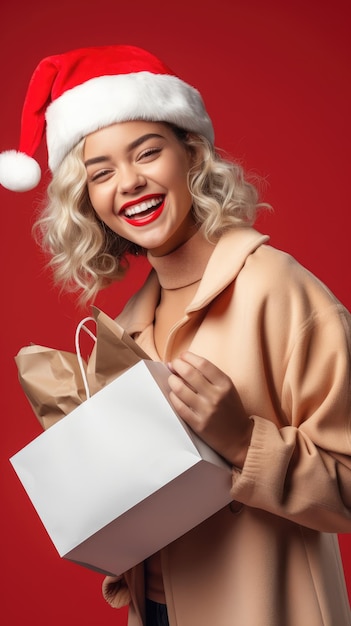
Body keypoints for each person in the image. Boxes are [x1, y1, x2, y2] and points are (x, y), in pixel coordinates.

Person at [1, 44, 351, 626]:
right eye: (102, 171)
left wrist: (242, 440)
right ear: (87, 199)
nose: (130, 182)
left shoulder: (277, 288)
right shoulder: (134, 325)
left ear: (191, 156)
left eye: (147, 152)